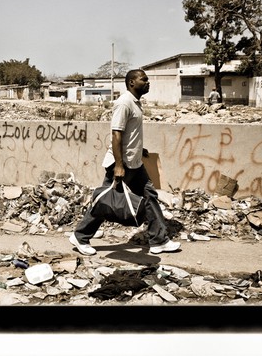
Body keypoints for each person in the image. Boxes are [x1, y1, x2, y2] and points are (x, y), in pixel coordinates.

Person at [69, 70, 181, 255]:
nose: (148, 82)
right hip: (122, 164)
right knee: (105, 201)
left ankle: (159, 241)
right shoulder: (124, 103)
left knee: (150, 197)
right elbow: (116, 134)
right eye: (143, 79)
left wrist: (139, 148)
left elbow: (130, 133)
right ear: (131, 82)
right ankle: (80, 236)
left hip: (134, 162)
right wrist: (119, 165)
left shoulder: (136, 103)